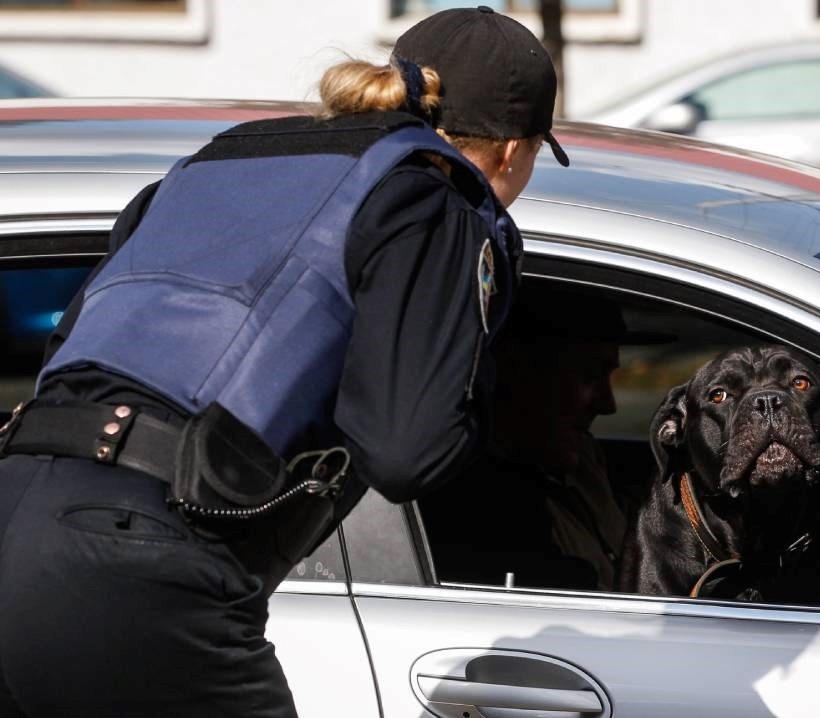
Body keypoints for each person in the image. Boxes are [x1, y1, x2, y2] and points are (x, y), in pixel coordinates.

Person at [0, 7, 567, 717]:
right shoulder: (431, 201)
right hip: (135, 563)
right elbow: (405, 453)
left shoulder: (224, 160)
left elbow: (75, 344)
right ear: (514, 151)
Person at [423, 285, 660, 591]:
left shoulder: (582, 463)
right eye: (588, 376)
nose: (608, 404)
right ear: (516, 371)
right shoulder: (482, 510)